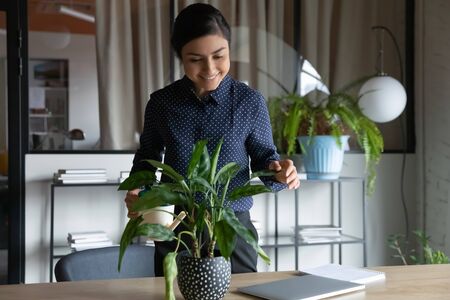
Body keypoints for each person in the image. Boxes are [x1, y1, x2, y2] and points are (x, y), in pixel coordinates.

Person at [125, 3, 300, 276]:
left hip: (232, 228)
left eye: (219, 55)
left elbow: (267, 162)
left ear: (230, 49)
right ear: (180, 57)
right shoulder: (161, 103)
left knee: (242, 295)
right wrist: (138, 191)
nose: (209, 68)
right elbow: (148, 158)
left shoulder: (249, 102)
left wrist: (281, 172)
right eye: (195, 59)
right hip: (177, 227)